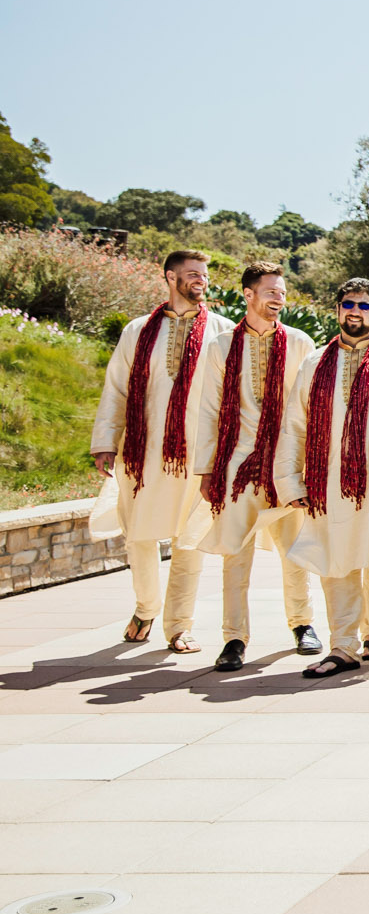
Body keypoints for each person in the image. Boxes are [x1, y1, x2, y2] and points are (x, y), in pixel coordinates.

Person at [273, 278, 369, 676]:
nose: (354, 311)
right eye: (347, 304)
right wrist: (290, 481)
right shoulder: (315, 363)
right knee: (334, 560)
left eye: (362, 306)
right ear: (338, 309)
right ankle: (343, 644)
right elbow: (294, 424)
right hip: (326, 484)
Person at [91, 249, 234, 653]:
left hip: (199, 455)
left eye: (204, 275)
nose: (201, 281)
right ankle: (146, 607)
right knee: (139, 534)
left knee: (190, 539)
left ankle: (179, 626)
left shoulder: (223, 331)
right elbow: (117, 386)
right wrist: (106, 440)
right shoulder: (138, 331)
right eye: (192, 274)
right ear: (170, 277)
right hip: (143, 451)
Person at [191, 261, 320, 671]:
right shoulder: (220, 347)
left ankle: (302, 624)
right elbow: (209, 409)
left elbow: (310, 408)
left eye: (282, 292)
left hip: (287, 464)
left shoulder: (300, 342)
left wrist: (308, 466)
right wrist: (207, 469)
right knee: (236, 552)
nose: (278, 299)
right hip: (237, 464)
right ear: (248, 294)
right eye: (270, 292)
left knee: (295, 550)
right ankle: (234, 638)